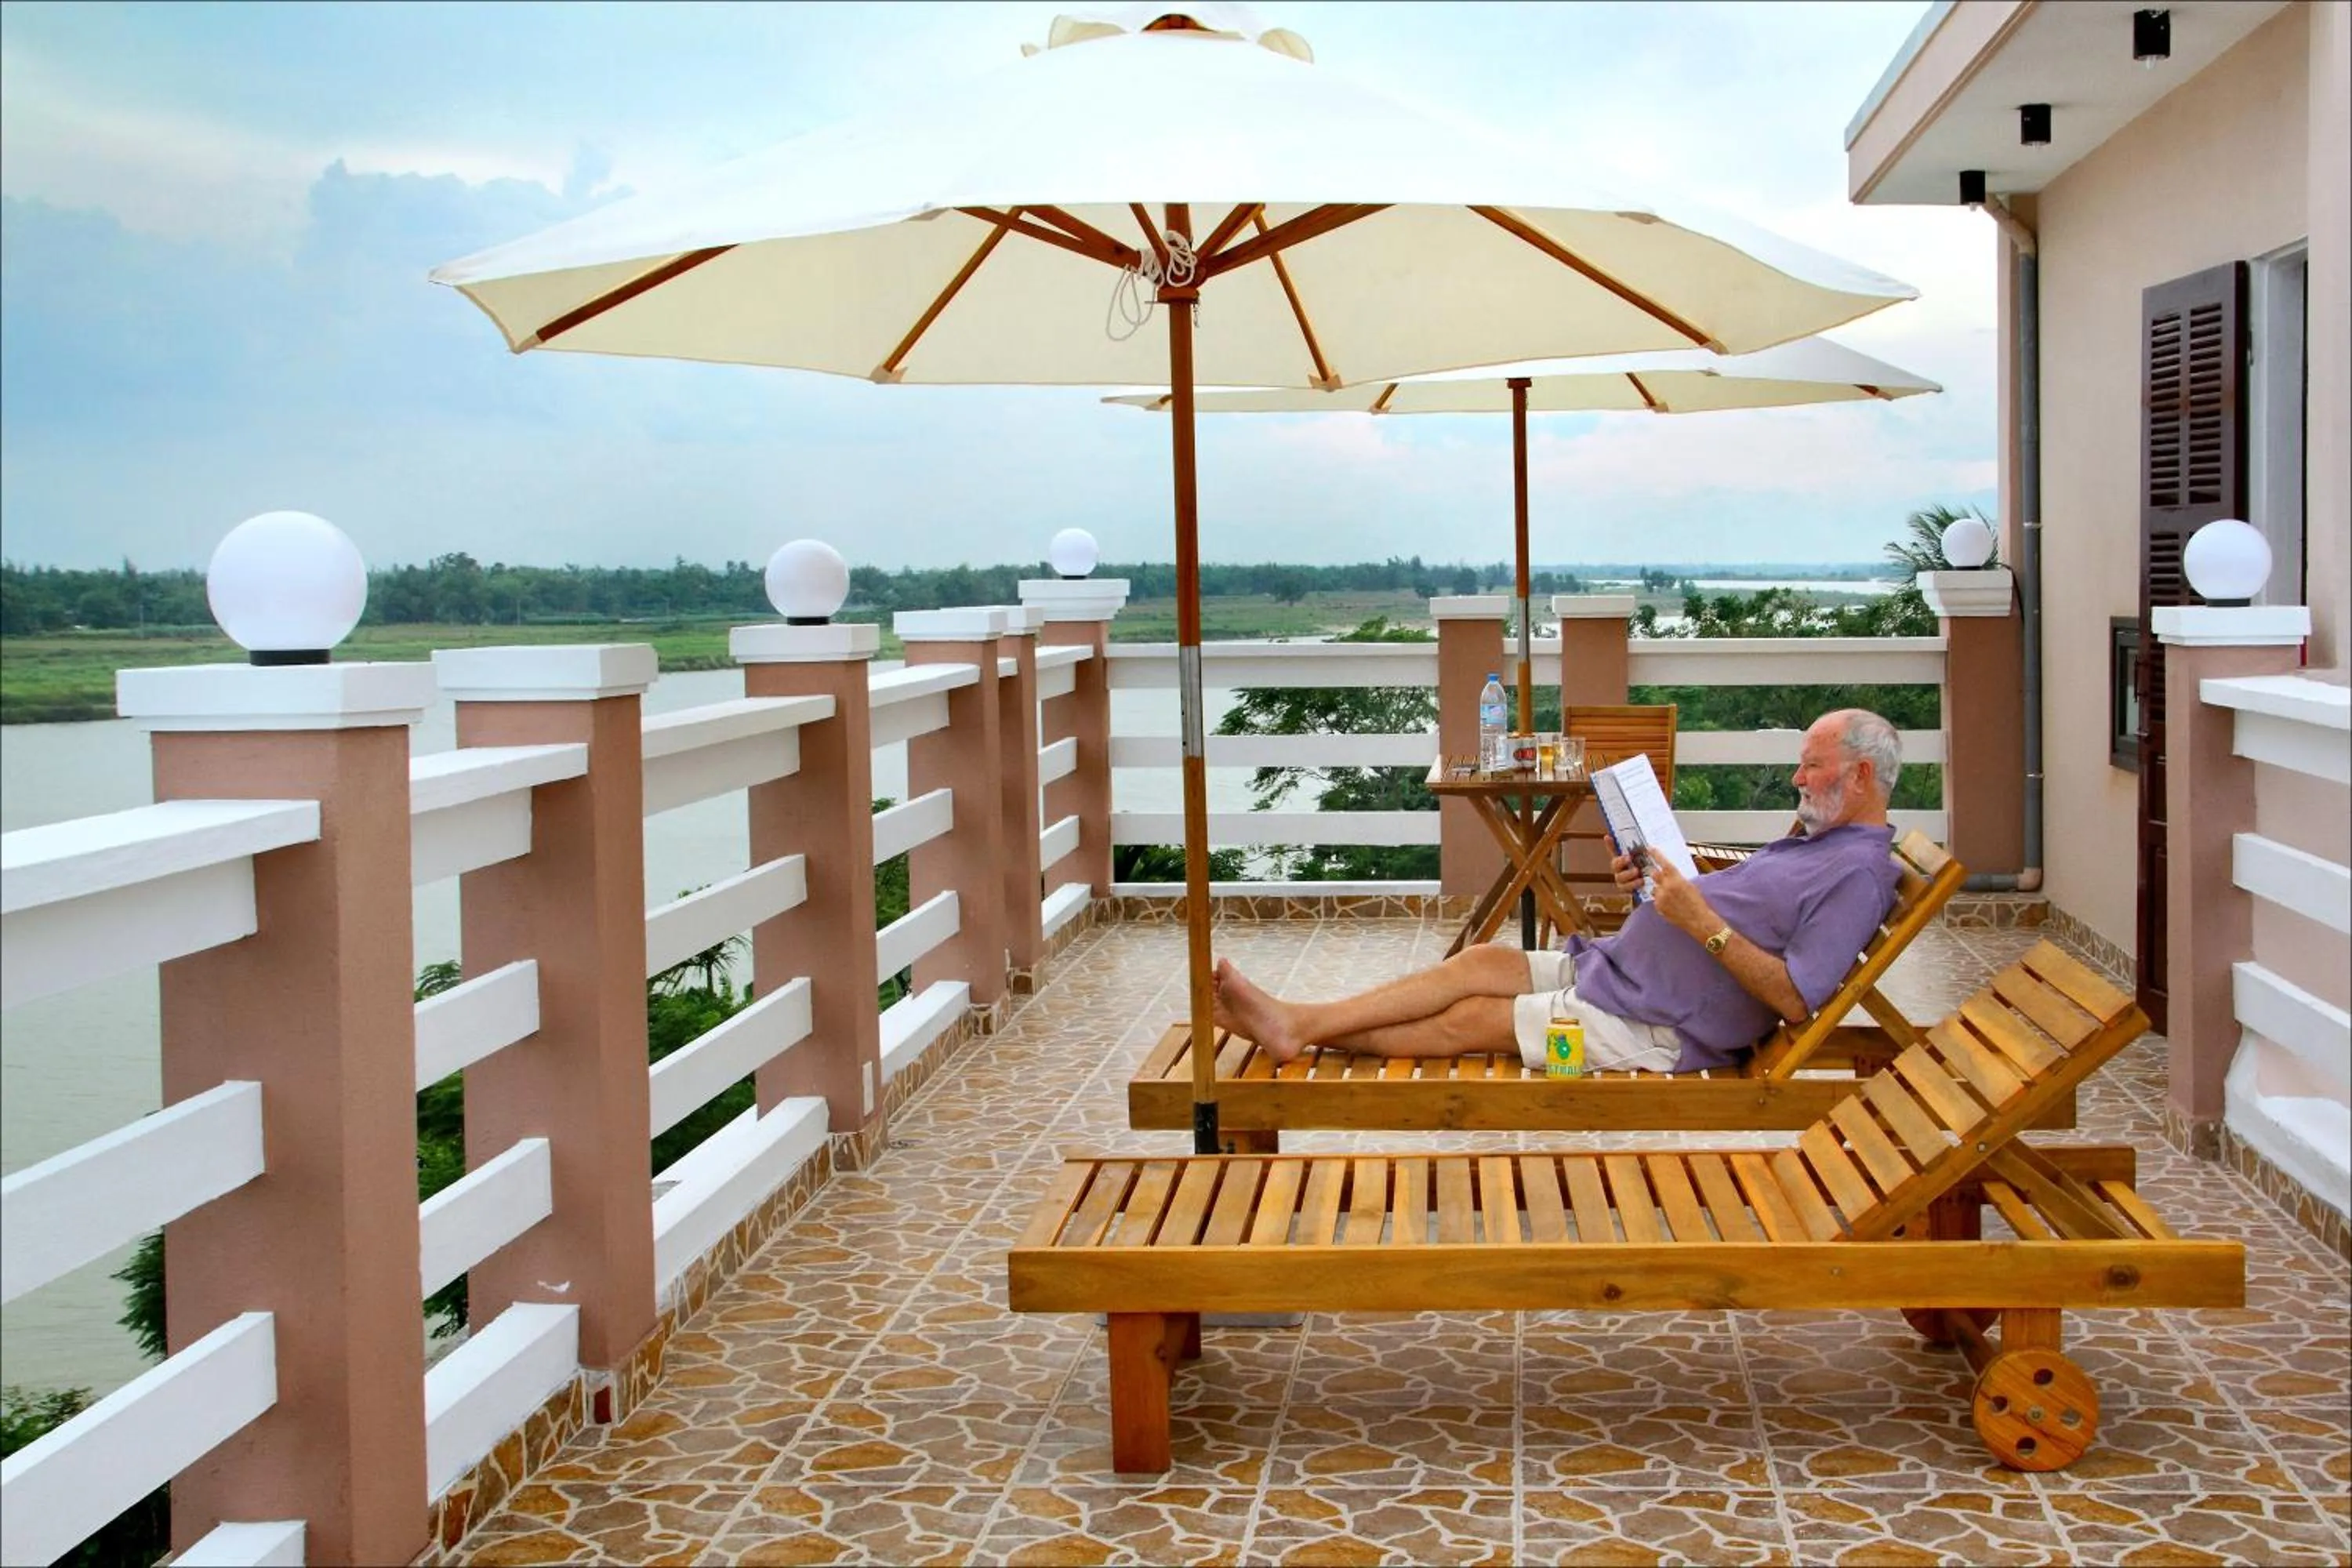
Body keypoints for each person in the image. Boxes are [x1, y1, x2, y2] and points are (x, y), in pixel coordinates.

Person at [1211, 709, 1906, 1075]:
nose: (1797, 779)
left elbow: (1795, 997)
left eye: (1812, 767)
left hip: (1657, 1028)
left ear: (1863, 776)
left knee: (1475, 1020)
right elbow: (1739, 899)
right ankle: (1301, 1021)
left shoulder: (1857, 875)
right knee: (1480, 961)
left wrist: (1698, 921)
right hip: (1622, 970)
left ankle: (1296, 1026)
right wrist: (1662, 878)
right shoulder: (1821, 842)